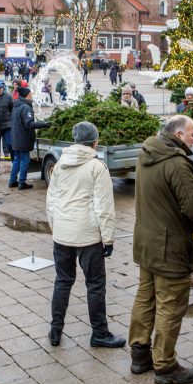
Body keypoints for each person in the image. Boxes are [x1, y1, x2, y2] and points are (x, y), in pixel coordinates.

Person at [129, 115, 193, 384]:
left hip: (147, 242)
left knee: (146, 297)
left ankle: (140, 354)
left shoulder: (148, 152)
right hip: (170, 247)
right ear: (178, 135)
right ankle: (165, 365)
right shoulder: (176, 163)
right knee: (171, 305)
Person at [46, 121, 124, 349]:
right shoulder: (96, 167)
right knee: (95, 284)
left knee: (62, 281)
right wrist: (108, 238)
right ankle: (99, 334)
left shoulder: (60, 165)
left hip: (62, 233)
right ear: (94, 142)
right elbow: (104, 206)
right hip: (88, 235)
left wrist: (56, 227)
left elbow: (51, 201)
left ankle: (55, 331)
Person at [9, 87, 49, 189]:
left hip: (16, 137)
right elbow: (29, 124)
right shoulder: (25, 107)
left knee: (17, 159)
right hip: (23, 138)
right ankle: (22, 182)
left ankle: (12, 181)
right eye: (30, 93)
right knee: (24, 160)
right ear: (27, 95)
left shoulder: (16, 105)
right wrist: (44, 124)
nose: (31, 95)